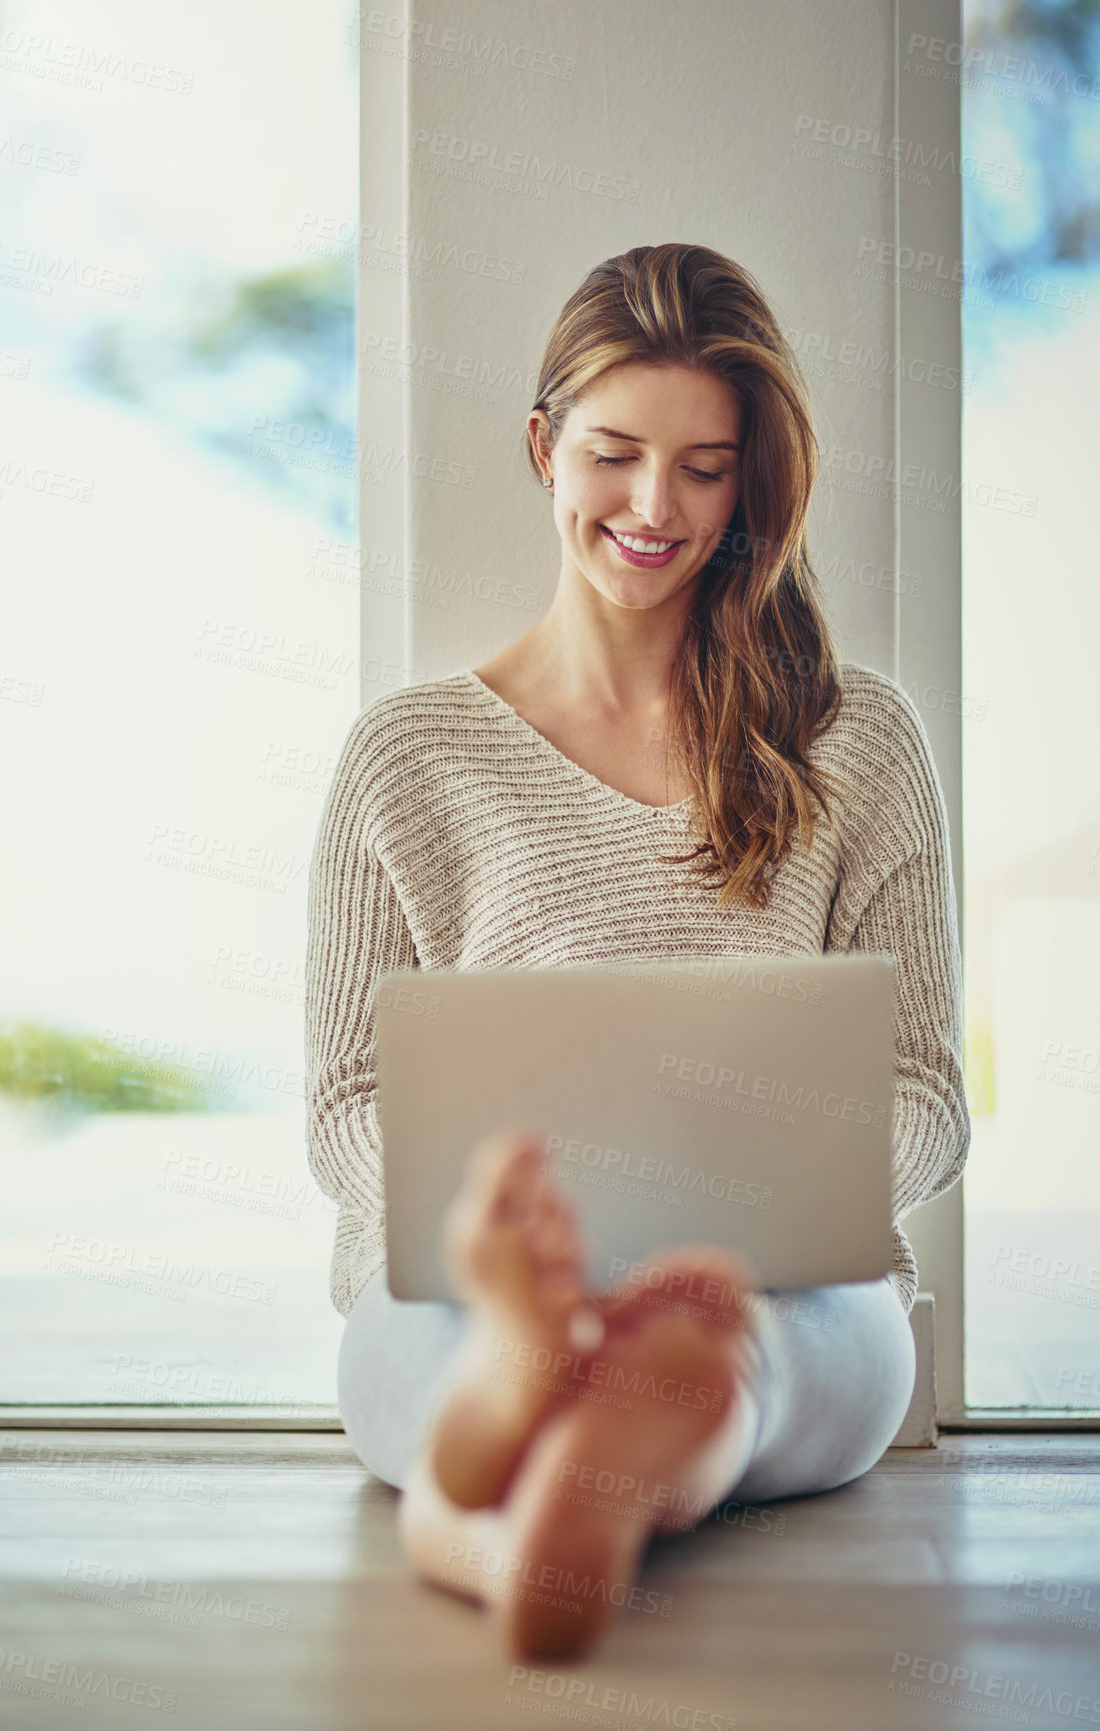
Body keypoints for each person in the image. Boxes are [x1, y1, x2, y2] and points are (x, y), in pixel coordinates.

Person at [304, 242, 970, 1661]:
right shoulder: (407, 760)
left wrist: (716, 1236)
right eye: (614, 453)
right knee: (447, 1343)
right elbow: (347, 1104)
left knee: (768, 1342)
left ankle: (519, 1494)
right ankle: (557, 1405)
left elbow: (923, 1092)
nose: (656, 508)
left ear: (756, 486)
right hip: (465, 1293)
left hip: (785, 1288)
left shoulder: (860, 744)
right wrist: (510, 1235)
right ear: (544, 447)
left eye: (707, 468)